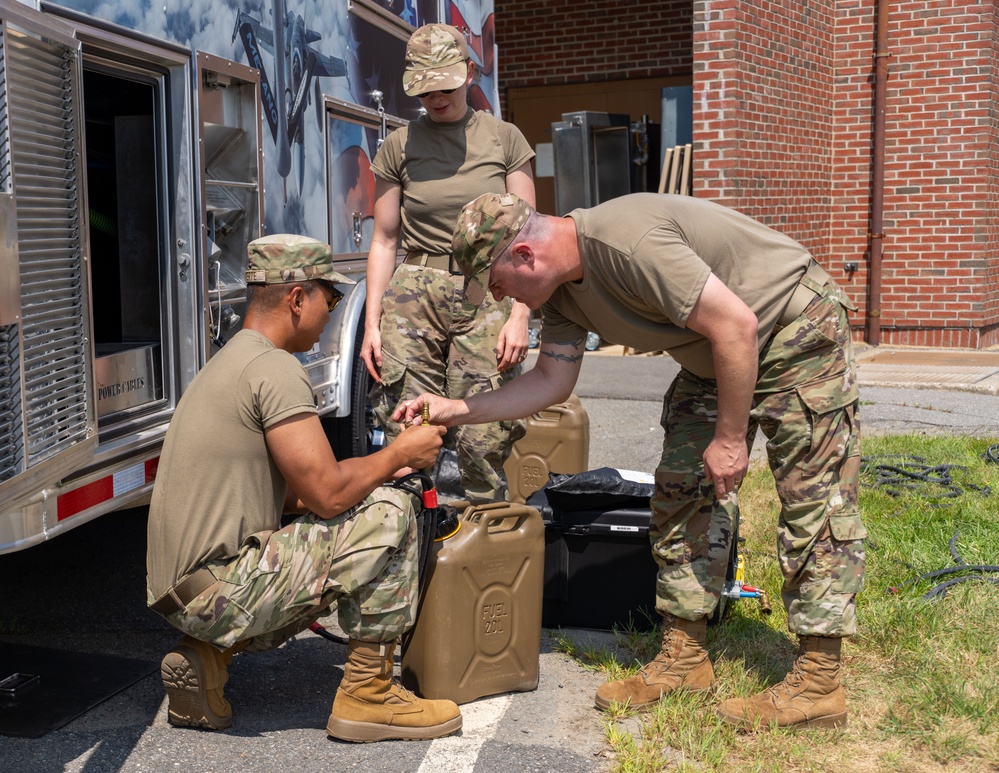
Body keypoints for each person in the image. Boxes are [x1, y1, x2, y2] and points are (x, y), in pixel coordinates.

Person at [397, 192, 867, 731]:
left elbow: (737, 325)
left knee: (813, 500)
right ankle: (686, 658)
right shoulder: (561, 292)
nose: (500, 298)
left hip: (793, 328)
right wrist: (458, 409)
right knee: (679, 489)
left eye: (498, 283)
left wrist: (732, 438)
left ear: (525, 255)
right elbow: (552, 381)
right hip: (715, 350)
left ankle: (819, 682)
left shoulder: (628, 244)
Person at [146, 234, 462, 742]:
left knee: (347, 518)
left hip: (184, 595)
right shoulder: (275, 369)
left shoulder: (228, 363)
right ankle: (369, 695)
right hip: (221, 590)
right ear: (297, 298)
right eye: (329, 299)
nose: (332, 311)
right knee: (392, 507)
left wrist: (379, 465)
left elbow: (292, 494)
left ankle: (208, 655)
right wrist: (399, 457)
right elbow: (327, 497)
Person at [361, 22, 536, 501]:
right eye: (425, 90)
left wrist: (521, 315)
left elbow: (529, 239)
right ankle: (406, 543)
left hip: (489, 292)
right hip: (414, 295)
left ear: (469, 74)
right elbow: (385, 238)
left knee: (483, 435)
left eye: (445, 86)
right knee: (410, 432)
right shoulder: (399, 145)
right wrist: (372, 324)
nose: (436, 99)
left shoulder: (504, 139)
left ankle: (487, 551)